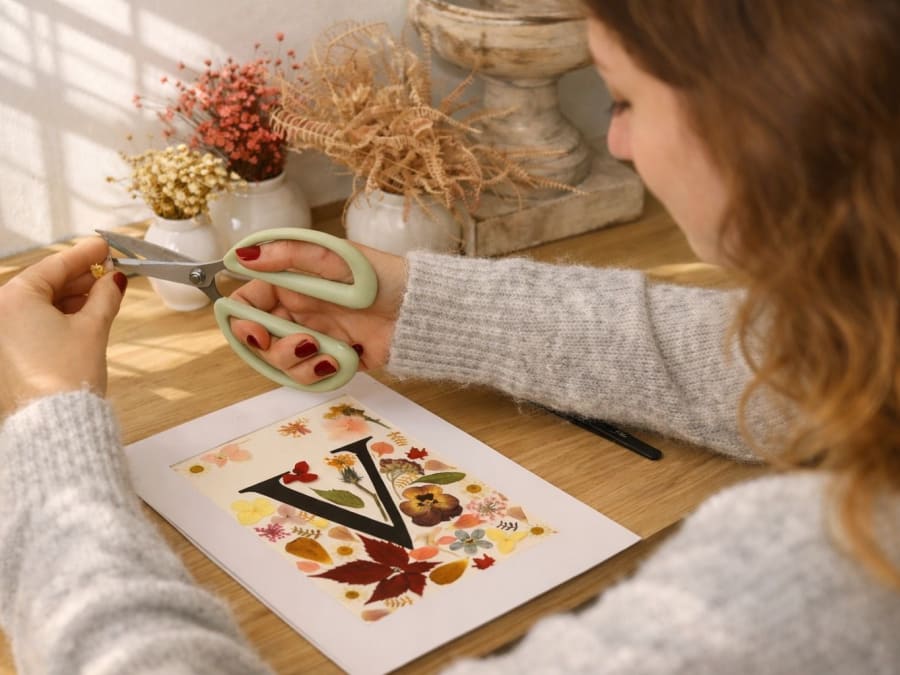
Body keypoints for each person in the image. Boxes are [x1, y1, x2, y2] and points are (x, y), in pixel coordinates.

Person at [1, 1, 897, 673]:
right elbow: (784, 361)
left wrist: (45, 434)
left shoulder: (820, 578)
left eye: (621, 97)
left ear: (773, 121)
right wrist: (414, 304)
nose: (617, 142)